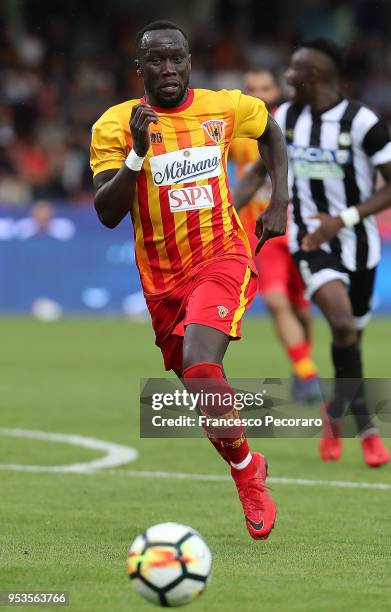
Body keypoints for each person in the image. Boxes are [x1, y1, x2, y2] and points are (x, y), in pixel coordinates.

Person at [90, 21, 289, 539]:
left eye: (176, 58)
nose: (169, 69)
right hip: (162, 280)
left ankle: (247, 480)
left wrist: (280, 198)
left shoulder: (223, 106)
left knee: (203, 365)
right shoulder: (114, 125)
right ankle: (248, 461)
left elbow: (270, 130)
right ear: (140, 69)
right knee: (202, 390)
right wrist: (136, 152)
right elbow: (108, 213)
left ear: (189, 61)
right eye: (156, 61)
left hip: (222, 255)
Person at [234, 39, 391, 467]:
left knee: (350, 339)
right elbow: (254, 173)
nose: (286, 77)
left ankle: (334, 413)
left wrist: (342, 221)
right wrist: (225, 213)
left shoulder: (361, 122)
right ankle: (369, 428)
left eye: (294, 70)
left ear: (316, 76)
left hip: (358, 245)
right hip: (309, 243)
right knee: (341, 325)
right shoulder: (283, 118)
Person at [231, 69, 321, 402]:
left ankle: (302, 366)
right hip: (262, 234)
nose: (259, 94)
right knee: (275, 300)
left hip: (302, 230)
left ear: (276, 91)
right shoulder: (235, 135)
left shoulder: (297, 129)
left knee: (301, 308)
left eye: (265, 88)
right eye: (251, 88)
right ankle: (307, 373)